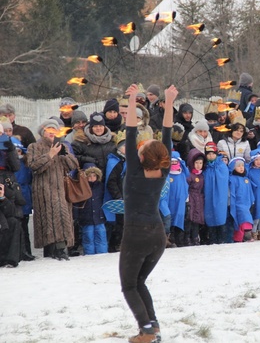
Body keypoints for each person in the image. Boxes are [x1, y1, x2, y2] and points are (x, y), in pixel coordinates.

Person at [119, 83, 177, 343]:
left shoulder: (133, 170)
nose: (141, 144)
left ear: (141, 156)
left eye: (144, 146)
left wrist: (131, 100)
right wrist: (169, 101)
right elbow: (167, 133)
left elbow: (130, 131)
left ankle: (146, 332)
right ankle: (153, 328)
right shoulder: (162, 171)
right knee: (139, 282)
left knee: (130, 285)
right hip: (157, 235)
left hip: (136, 235)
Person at [26, 119, 79, 260]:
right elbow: (33, 165)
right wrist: (50, 155)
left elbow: (73, 165)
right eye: (49, 129)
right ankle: (51, 250)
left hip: (61, 188)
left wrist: (64, 155)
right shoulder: (34, 146)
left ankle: (61, 249)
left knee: (61, 216)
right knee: (48, 218)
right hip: (43, 188)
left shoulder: (62, 146)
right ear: (43, 132)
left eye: (54, 130)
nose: (51, 132)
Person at [78, 166, 108, 255]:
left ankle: (102, 254)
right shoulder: (82, 187)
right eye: (89, 176)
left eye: (94, 176)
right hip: (86, 217)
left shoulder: (101, 187)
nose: (92, 178)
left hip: (100, 216)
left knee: (101, 236)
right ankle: (89, 255)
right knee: (88, 237)